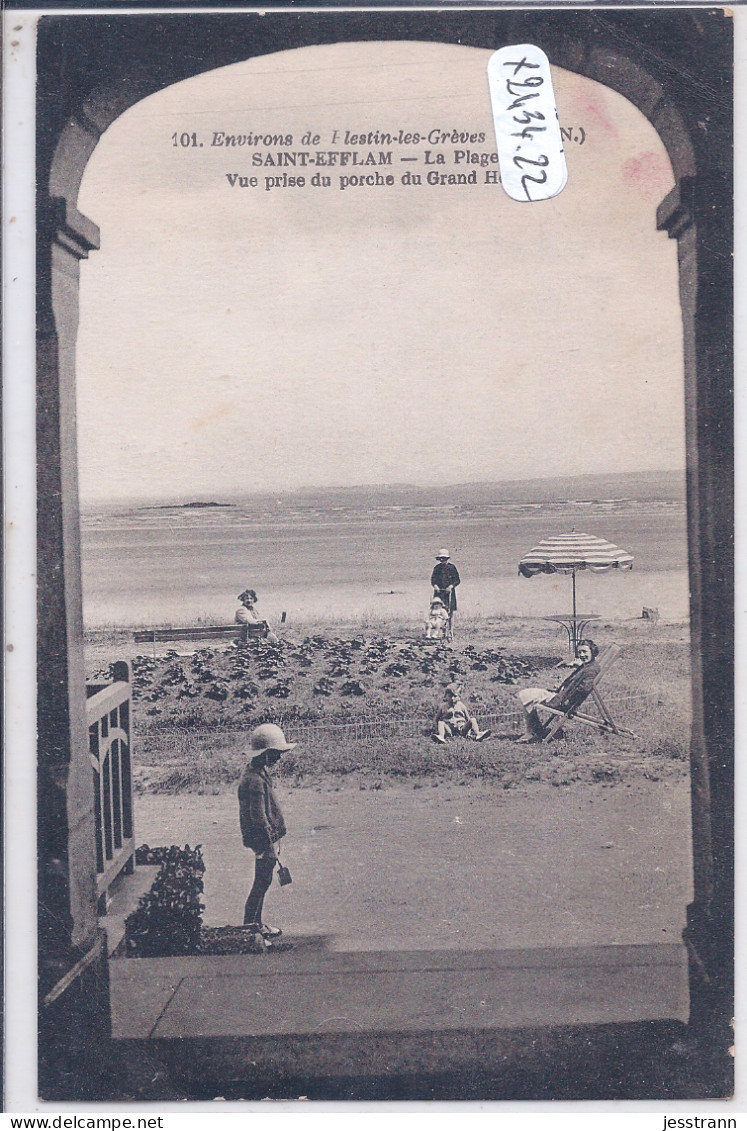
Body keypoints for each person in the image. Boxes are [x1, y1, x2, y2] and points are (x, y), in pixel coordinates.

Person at [238, 722, 295, 950]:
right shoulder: (254, 780)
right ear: (266, 754)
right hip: (262, 839)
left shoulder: (257, 773)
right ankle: (250, 929)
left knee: (264, 880)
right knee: (260, 883)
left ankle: (256, 925)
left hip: (263, 838)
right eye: (276, 754)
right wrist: (269, 839)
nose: (278, 758)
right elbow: (258, 815)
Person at [516, 639, 601, 742]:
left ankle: (532, 731)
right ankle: (534, 730)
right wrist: (561, 688)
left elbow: (583, 689)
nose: (582, 655)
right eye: (579, 652)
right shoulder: (587, 666)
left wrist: (565, 698)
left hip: (562, 700)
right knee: (526, 695)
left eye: (584, 652)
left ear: (592, 651)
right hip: (561, 695)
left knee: (526, 695)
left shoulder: (591, 670)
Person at [430, 549, 460, 631]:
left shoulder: (452, 567)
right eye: (441, 558)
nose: (442, 560)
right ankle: (438, 630)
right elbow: (433, 580)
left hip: (449, 592)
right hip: (439, 592)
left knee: (451, 612)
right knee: (438, 611)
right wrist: (435, 586)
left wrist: (451, 586)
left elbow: (457, 580)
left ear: (447, 558)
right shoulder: (437, 568)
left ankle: (450, 630)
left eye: (444, 558)